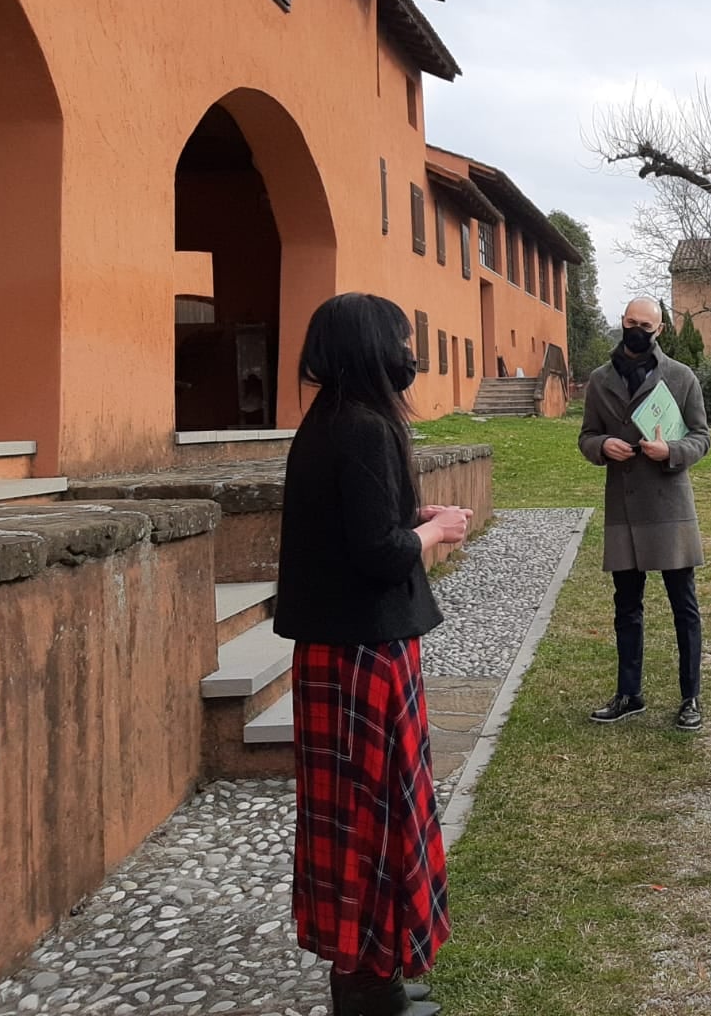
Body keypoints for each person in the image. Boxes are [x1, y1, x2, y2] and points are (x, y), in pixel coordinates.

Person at [275, 293, 470, 1016]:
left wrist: (410, 520)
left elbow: (355, 529)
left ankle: (373, 973)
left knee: (367, 816)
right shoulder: (362, 427)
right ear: (369, 347)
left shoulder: (330, 421)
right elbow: (377, 554)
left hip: (344, 649)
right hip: (361, 654)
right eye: (402, 340)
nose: (409, 354)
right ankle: (365, 990)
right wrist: (433, 530)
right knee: (370, 821)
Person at [579, 297, 711, 732]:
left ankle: (690, 697)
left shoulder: (680, 376)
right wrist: (602, 446)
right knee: (626, 607)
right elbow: (586, 436)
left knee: (683, 607)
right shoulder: (599, 380)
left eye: (646, 325)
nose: (637, 330)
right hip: (624, 507)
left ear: (660, 330)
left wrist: (670, 451)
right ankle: (629, 693)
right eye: (631, 322)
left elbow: (701, 437)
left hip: (670, 506)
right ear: (622, 322)